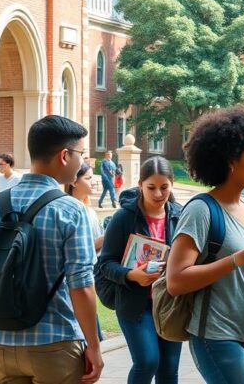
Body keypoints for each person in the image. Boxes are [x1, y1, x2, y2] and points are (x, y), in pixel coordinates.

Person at [0, 115, 103, 383]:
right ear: (65, 155)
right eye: (81, 154)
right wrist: (94, 346)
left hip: (2, 343)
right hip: (55, 341)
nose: (82, 162)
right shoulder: (70, 210)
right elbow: (81, 286)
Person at [166, 106, 244, 384]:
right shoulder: (201, 210)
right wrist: (241, 258)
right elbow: (176, 281)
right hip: (217, 336)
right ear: (231, 161)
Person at [97, 156, 184, 384]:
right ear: (140, 185)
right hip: (135, 304)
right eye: (151, 187)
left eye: (164, 187)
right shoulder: (124, 218)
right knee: (147, 362)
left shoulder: (180, 215)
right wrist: (131, 275)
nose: (158, 194)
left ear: (172, 184)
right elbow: (105, 263)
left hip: (170, 303)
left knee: (169, 369)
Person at [65, 163, 105, 251]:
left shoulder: (90, 210)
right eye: (88, 178)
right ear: (74, 182)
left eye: (93, 178)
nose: (93, 182)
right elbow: (77, 250)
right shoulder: (69, 212)